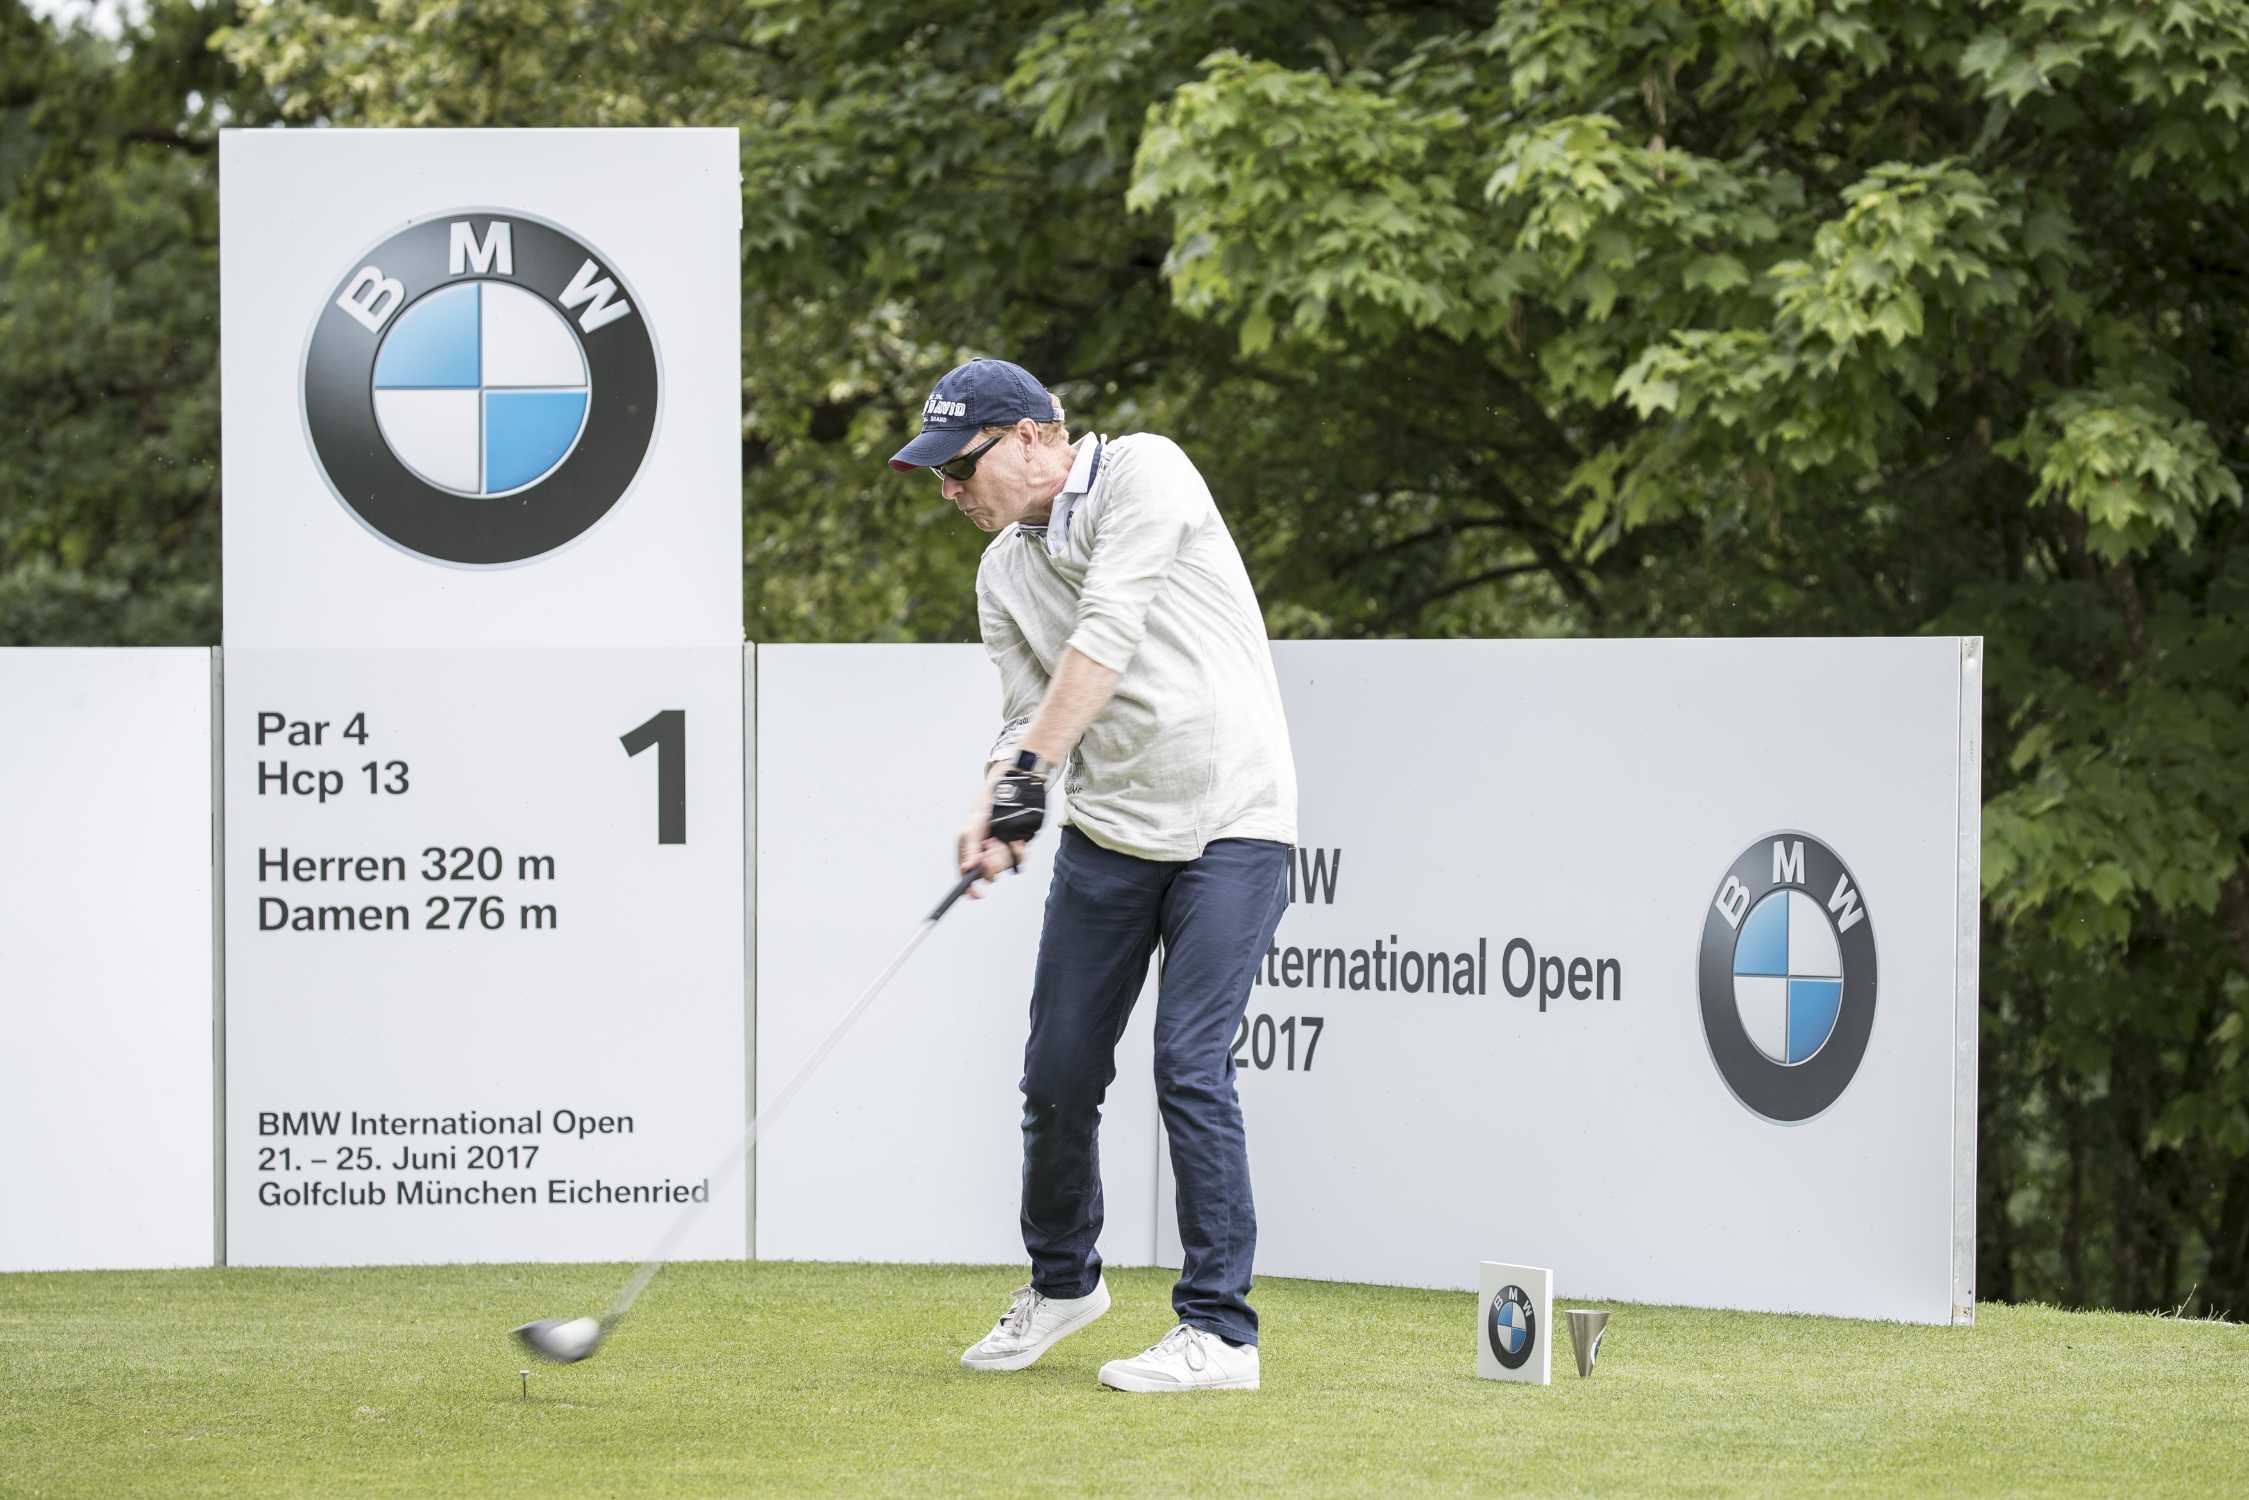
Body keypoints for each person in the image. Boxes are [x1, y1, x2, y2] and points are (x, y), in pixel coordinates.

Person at [888, 356, 1299, 1393]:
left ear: (1032, 437)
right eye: (937, 476)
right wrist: (996, 796)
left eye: (961, 466)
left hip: (1232, 823)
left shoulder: (1145, 473)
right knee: (1058, 1071)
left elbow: (1107, 636)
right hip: (1111, 834)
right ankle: (1064, 1283)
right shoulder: (1000, 572)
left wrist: (1031, 775)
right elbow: (1023, 711)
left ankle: (1220, 1334)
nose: (948, 491)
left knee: (1188, 1064)